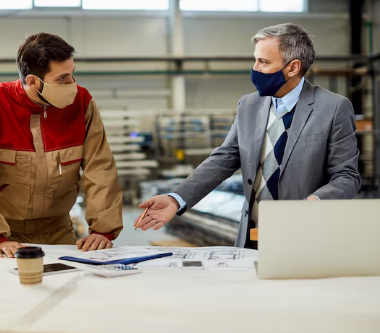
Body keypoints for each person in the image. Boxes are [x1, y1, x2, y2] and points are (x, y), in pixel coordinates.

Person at [135, 23, 361, 249]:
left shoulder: (333, 108)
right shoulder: (249, 105)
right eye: (255, 60)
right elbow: (223, 159)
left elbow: (346, 176)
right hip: (252, 236)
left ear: (293, 67)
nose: (255, 69)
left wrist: (312, 204)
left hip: (306, 235)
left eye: (263, 62)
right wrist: (177, 198)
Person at [0, 33, 123, 257]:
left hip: (59, 230)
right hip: (7, 234)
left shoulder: (83, 103)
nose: (72, 84)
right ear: (33, 81)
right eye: (62, 78)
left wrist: (103, 230)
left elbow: (100, 167)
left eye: (72, 74)